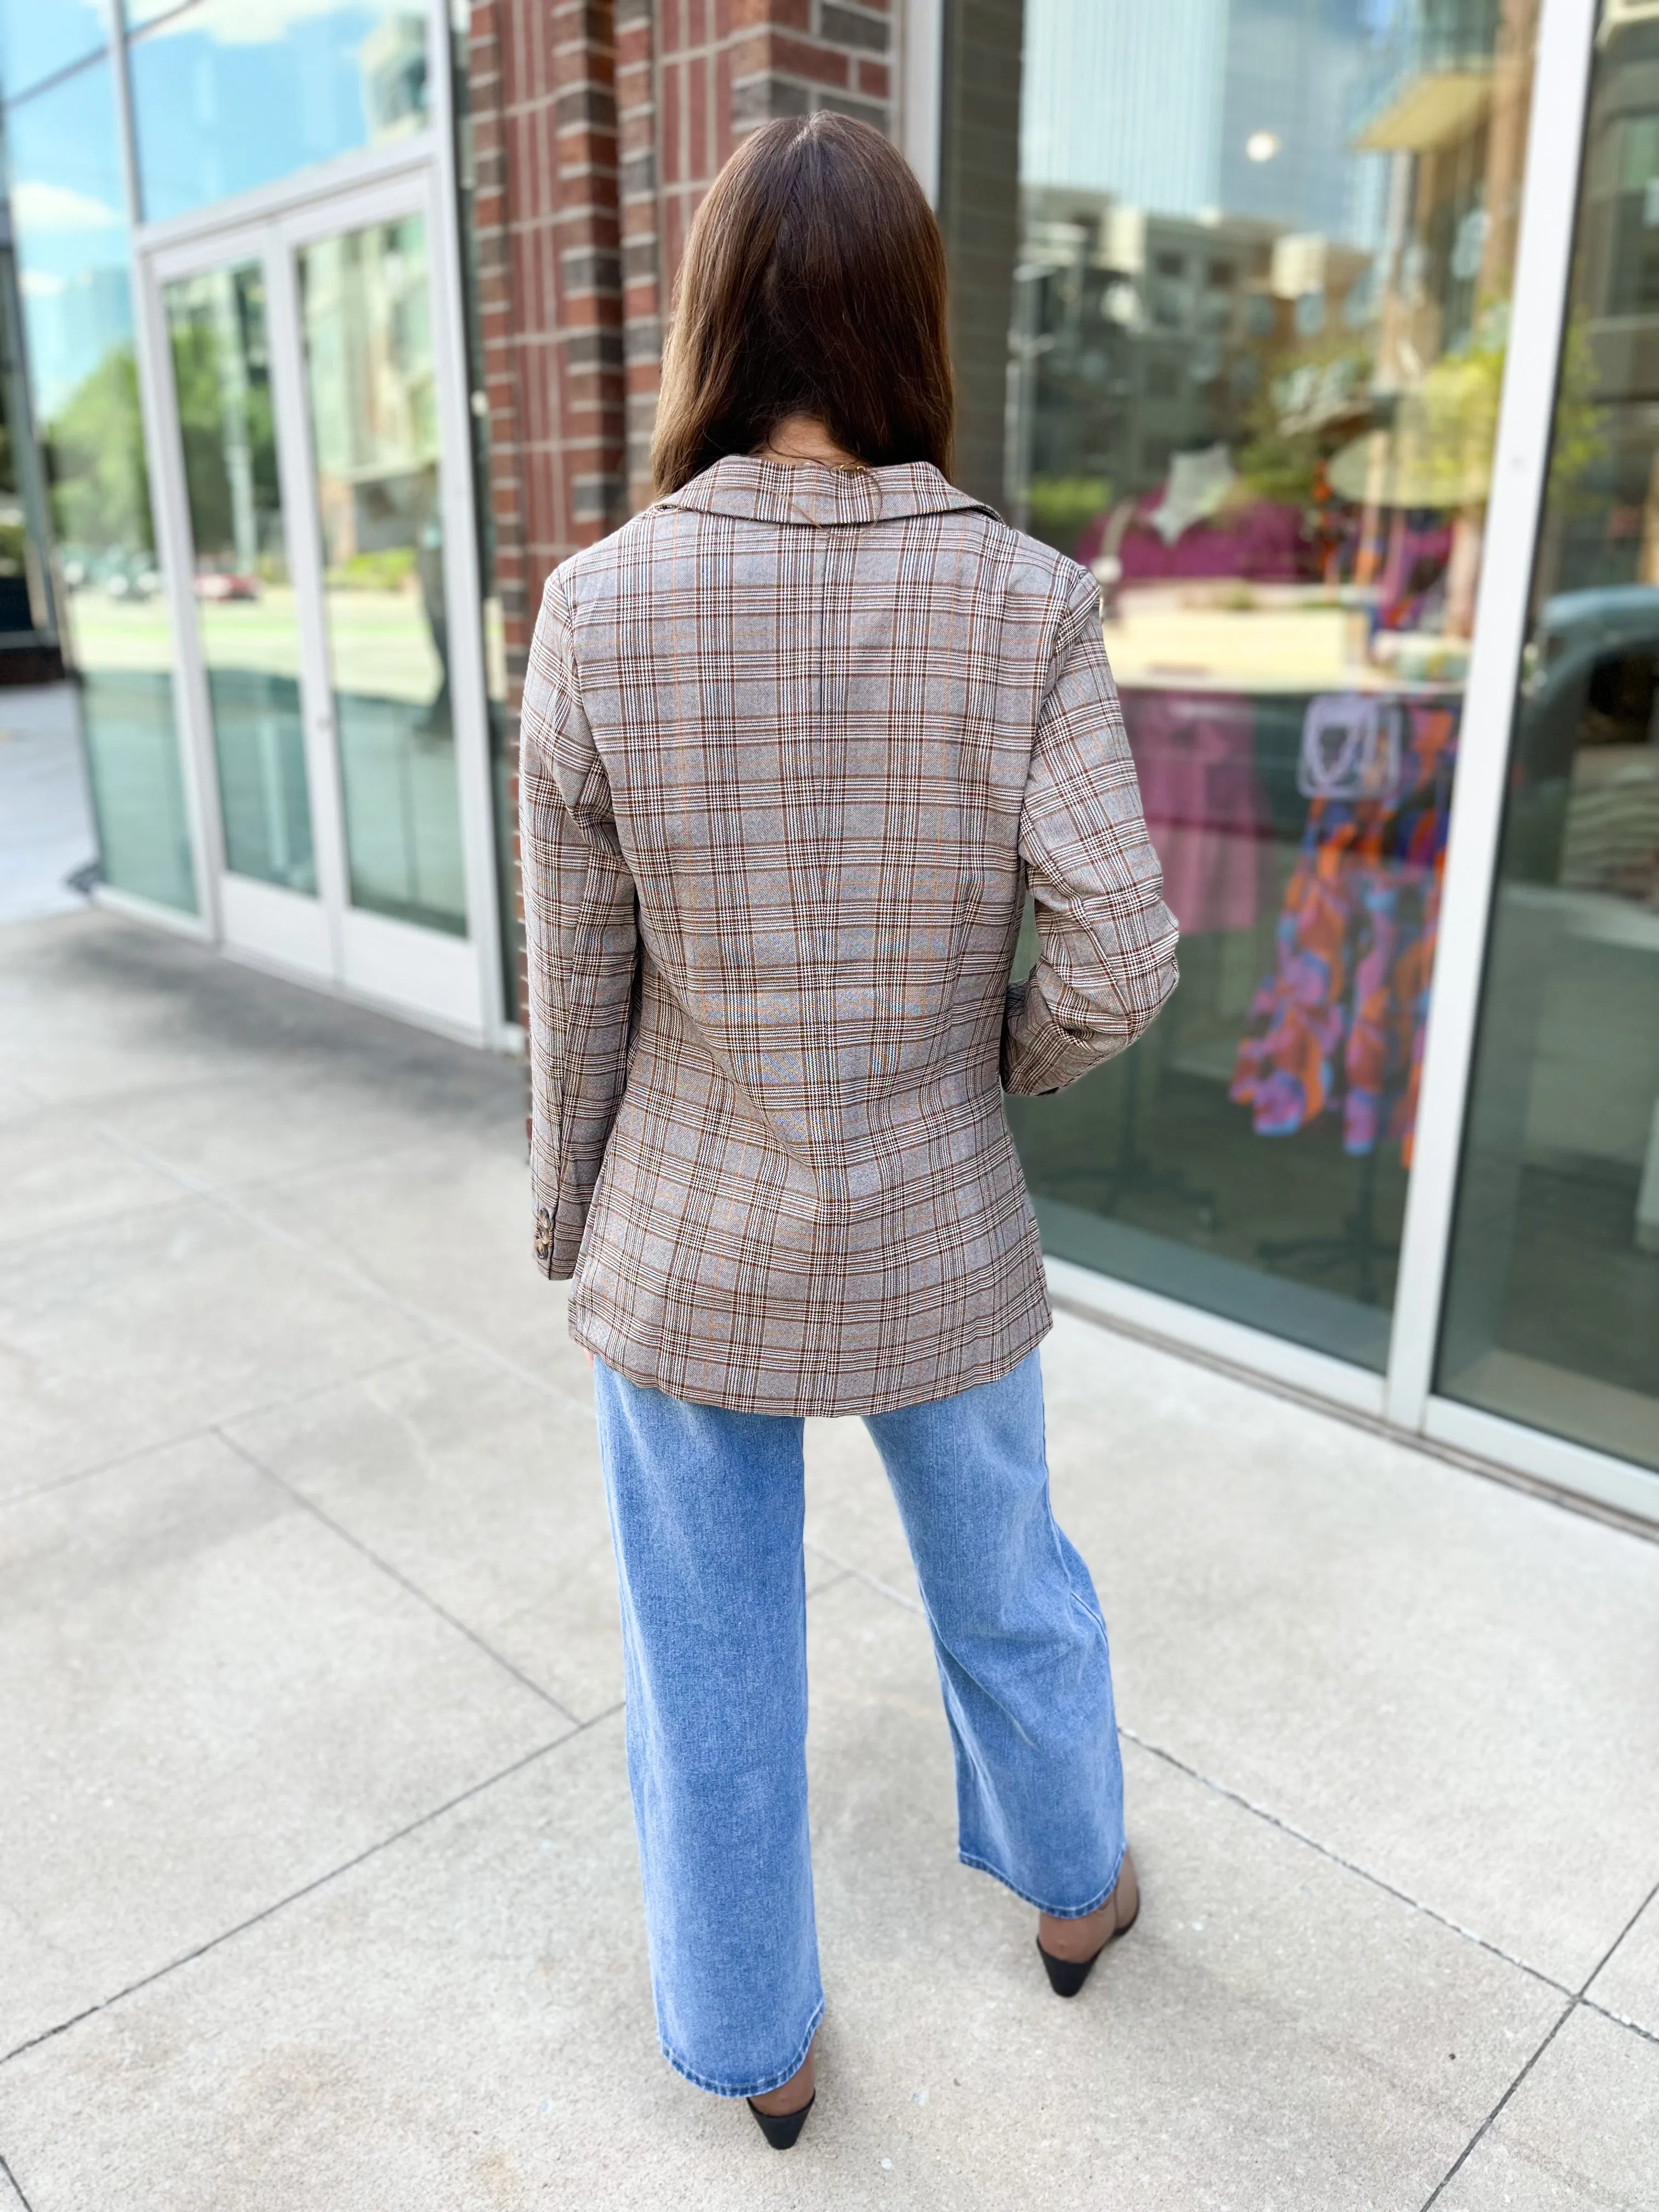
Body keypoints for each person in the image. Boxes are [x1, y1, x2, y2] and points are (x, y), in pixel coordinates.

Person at [518, 112, 1179, 2151]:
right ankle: (1074, 1892)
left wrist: (574, 1218)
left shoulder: (600, 607)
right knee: (1009, 1579)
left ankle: (757, 2047)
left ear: (716, 325)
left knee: (708, 1659)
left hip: (688, 1229)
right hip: (936, 1216)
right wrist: (990, 1065)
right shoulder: (1026, 600)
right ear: (911, 321)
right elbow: (1122, 958)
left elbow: (581, 990)